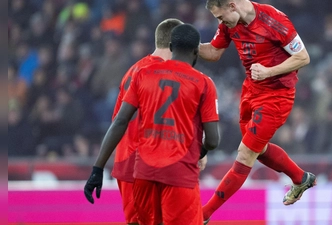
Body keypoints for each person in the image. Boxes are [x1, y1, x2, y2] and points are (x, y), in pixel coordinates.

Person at [85, 23, 220, 225]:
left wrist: (98, 168)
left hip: (141, 168)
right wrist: (197, 152)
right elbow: (212, 139)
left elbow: (120, 120)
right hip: (168, 166)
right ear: (195, 51)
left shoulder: (141, 72)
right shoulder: (201, 82)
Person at [199, 0, 316, 223]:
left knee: (245, 153)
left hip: (276, 96)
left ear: (232, 6)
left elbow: (303, 58)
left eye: (220, 17)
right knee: (257, 149)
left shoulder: (274, 20)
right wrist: (187, 45)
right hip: (250, 90)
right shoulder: (229, 23)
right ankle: (301, 178)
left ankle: (203, 214)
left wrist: (269, 71)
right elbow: (214, 52)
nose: (220, 22)